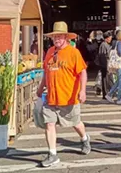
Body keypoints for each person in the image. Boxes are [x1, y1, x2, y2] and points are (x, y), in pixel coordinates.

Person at [37, 21, 91, 167]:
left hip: (68, 97)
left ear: (66, 38)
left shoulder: (74, 53)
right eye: (55, 37)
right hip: (51, 96)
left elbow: (83, 72)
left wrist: (82, 90)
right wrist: (41, 87)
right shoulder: (49, 52)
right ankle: (53, 154)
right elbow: (46, 72)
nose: (57, 39)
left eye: (60, 36)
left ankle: (84, 138)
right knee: (49, 124)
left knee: (76, 123)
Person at [106, 30, 121, 105]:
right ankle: (119, 98)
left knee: (119, 80)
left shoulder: (116, 43)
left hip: (118, 64)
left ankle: (109, 94)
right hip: (119, 64)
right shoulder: (120, 43)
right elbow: (120, 53)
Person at [97, 31, 113, 99]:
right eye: (110, 38)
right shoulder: (103, 45)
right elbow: (102, 56)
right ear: (106, 38)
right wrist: (105, 66)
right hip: (105, 64)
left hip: (107, 63)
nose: (111, 39)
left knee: (108, 79)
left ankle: (108, 93)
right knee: (105, 80)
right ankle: (105, 94)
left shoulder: (106, 44)